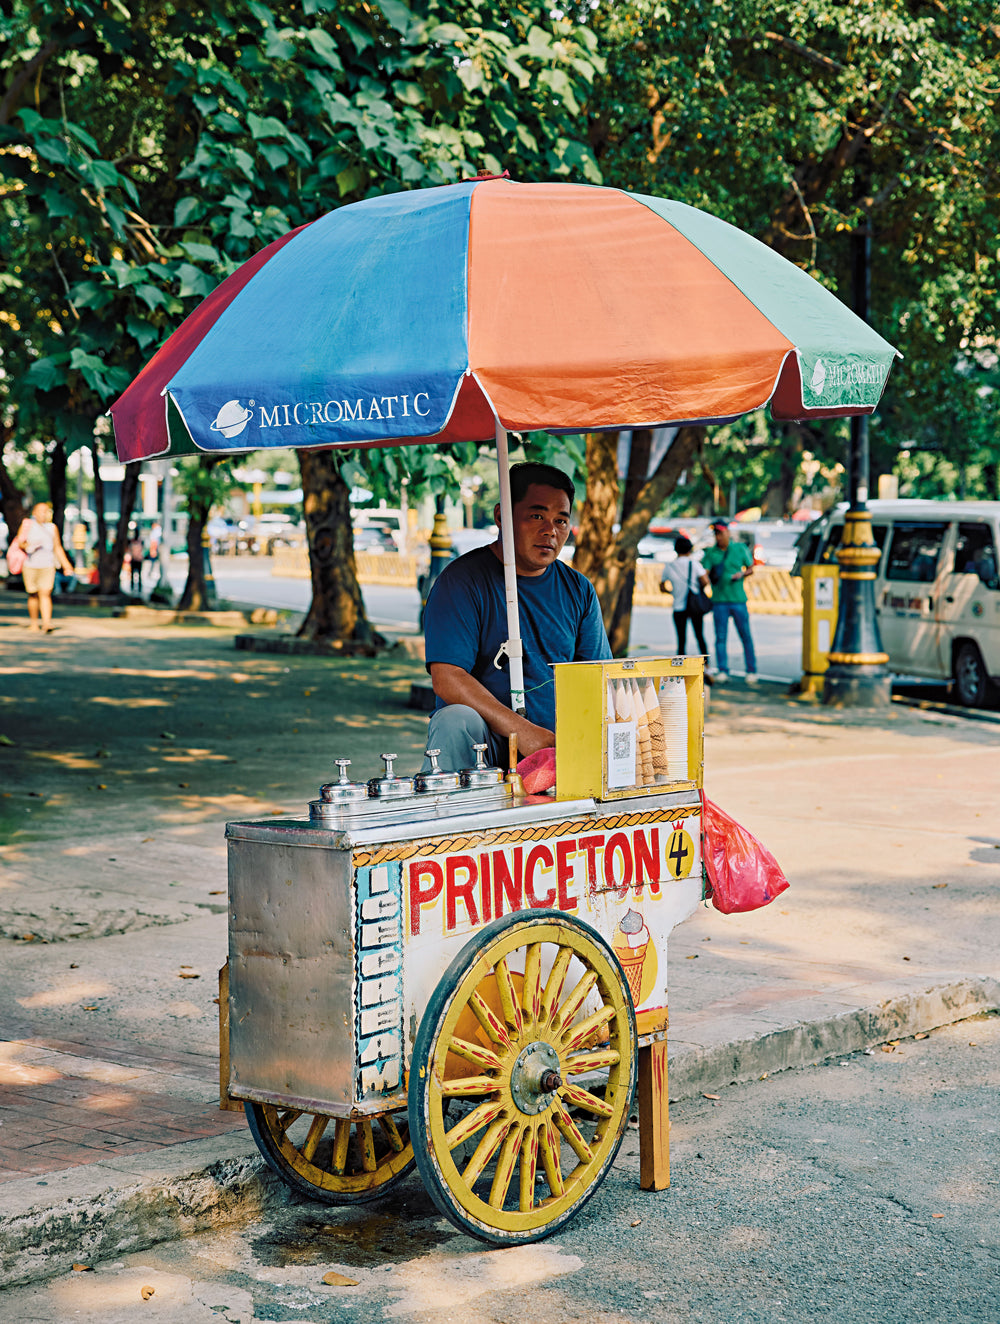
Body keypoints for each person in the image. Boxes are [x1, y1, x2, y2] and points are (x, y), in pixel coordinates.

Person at [422, 461, 611, 772]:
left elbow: (596, 677)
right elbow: (447, 677)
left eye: (561, 521)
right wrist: (519, 730)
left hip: (556, 743)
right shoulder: (462, 581)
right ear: (501, 516)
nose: (550, 531)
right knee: (454, 719)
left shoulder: (579, 590)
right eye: (536, 516)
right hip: (486, 742)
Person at [701, 519, 757, 683]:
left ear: (727, 532)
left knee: (745, 635)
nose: (718, 537)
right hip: (719, 600)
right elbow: (705, 572)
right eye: (716, 534)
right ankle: (723, 670)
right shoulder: (711, 553)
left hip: (738, 599)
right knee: (720, 637)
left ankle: (751, 670)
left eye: (720, 533)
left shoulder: (739, 548)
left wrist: (741, 575)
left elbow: (751, 567)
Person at [11, 502, 74, 633]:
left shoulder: (52, 527)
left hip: (47, 565)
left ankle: (46, 623)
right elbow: (19, 543)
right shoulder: (27, 525)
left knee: (45, 593)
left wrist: (66, 565)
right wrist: (29, 545)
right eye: (41, 511)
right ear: (34, 512)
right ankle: (34, 623)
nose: (43, 514)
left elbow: (57, 547)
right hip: (31, 565)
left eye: (46, 511)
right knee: (33, 594)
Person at [659, 534, 711, 660]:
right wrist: (697, 588)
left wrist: (671, 592)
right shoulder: (694, 564)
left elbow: (661, 586)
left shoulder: (670, 566)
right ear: (690, 549)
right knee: (699, 636)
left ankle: (680, 668)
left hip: (678, 606)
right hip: (694, 606)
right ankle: (706, 664)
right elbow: (705, 580)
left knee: (681, 639)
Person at [127, 527, 144, 593]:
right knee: (133, 575)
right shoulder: (132, 541)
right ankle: (133, 587)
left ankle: (138, 588)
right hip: (134, 559)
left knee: (138, 575)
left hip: (137, 560)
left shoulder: (140, 541)